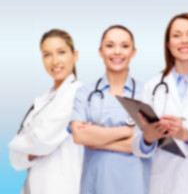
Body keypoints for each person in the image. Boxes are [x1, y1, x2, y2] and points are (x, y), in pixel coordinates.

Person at [131, 13, 188, 194]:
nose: (184, 41)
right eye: (177, 36)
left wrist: (185, 134)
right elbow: (138, 147)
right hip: (165, 184)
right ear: (168, 44)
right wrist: (148, 138)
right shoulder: (153, 87)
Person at [69, 25, 151, 193]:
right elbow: (79, 136)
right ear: (100, 52)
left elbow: (148, 144)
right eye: (110, 45)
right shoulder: (85, 93)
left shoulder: (147, 93)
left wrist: (96, 140)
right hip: (96, 184)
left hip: (136, 185)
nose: (117, 52)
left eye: (124, 46)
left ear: (133, 52)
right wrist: (129, 131)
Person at [9, 29, 84, 194]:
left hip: (63, 187)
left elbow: (42, 141)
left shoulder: (77, 94)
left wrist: (16, 144)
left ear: (75, 55)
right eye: (47, 54)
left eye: (61, 52)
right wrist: (26, 150)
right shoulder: (41, 102)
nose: (54, 61)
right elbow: (15, 161)